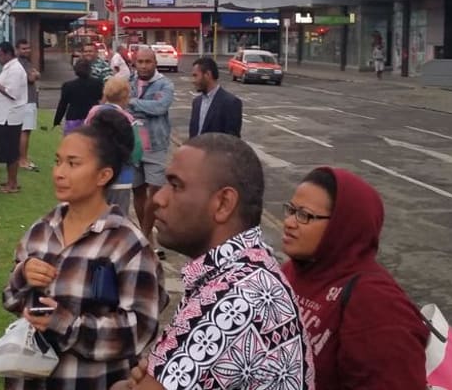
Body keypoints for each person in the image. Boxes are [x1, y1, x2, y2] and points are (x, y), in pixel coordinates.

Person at [126, 134, 313, 389]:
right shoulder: (242, 273)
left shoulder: (238, 300)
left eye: (176, 185)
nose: (159, 198)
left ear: (223, 204)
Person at [2, 111, 167, 390]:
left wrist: (65, 323)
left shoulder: (128, 245)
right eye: (57, 162)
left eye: (73, 163)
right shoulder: (41, 231)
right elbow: (10, 299)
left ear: (104, 175)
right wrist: (22, 275)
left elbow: (140, 330)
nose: (59, 172)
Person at [281, 167, 429, 389]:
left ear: (342, 225)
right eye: (291, 210)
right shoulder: (289, 272)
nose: (289, 222)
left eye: (305, 215)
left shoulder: (376, 303)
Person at [128, 46, 174, 257]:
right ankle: (149, 239)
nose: (144, 66)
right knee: (137, 191)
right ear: (135, 63)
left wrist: (133, 103)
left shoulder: (165, 84)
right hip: (133, 144)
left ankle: (144, 236)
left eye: (148, 62)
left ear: (155, 63)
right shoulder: (128, 81)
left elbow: (160, 108)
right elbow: (121, 106)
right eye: (140, 62)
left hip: (156, 145)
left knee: (154, 193)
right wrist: (141, 105)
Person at [84, 75, 147, 217]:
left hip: (96, 173)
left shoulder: (93, 112)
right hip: (121, 176)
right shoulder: (128, 119)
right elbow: (137, 151)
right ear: (126, 97)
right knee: (117, 218)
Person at [0, 41, 28, 194]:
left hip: (9, 116)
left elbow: (12, 93)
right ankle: (11, 180)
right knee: (7, 150)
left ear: (8, 54)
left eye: (0, 55)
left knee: (11, 151)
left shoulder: (15, 70)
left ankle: (12, 184)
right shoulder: (9, 68)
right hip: (3, 115)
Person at [188, 57, 242, 139]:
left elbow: (232, 141)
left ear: (208, 75)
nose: (193, 80)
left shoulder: (231, 103)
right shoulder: (196, 102)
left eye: (196, 76)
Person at [53, 59, 104, 135]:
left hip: (73, 117)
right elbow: (101, 98)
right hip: (92, 117)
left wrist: (57, 120)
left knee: (73, 143)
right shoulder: (98, 83)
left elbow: (62, 105)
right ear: (90, 69)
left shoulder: (68, 86)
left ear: (75, 70)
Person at [17, 39, 41, 171]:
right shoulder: (20, 64)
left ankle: (24, 157)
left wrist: (36, 74)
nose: (26, 51)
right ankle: (22, 160)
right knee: (25, 131)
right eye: (23, 48)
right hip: (26, 101)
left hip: (28, 99)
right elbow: (32, 77)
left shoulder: (26, 62)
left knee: (27, 130)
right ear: (17, 50)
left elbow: (37, 74)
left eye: (28, 48)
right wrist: (35, 75)